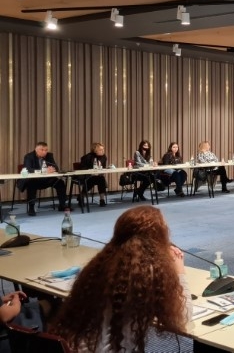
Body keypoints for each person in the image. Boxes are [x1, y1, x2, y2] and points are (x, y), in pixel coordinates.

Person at [50, 205, 192, 352]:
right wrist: (179, 269)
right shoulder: (147, 272)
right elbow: (182, 317)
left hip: (74, 347)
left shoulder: (103, 262)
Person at [17, 141, 70, 216]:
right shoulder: (29, 156)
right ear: (36, 149)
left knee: (60, 182)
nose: (44, 152)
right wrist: (43, 171)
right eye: (42, 150)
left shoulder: (49, 156)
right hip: (35, 180)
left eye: (46, 150)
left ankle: (62, 205)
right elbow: (28, 169)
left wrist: (52, 169)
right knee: (31, 184)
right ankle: (31, 207)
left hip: (46, 180)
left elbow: (56, 167)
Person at [78, 142, 108, 207]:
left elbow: (103, 167)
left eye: (103, 149)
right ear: (95, 150)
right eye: (100, 150)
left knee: (101, 179)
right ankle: (81, 196)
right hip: (87, 176)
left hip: (98, 176)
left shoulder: (104, 157)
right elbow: (82, 168)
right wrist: (91, 172)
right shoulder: (87, 157)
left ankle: (102, 200)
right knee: (91, 180)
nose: (103, 151)